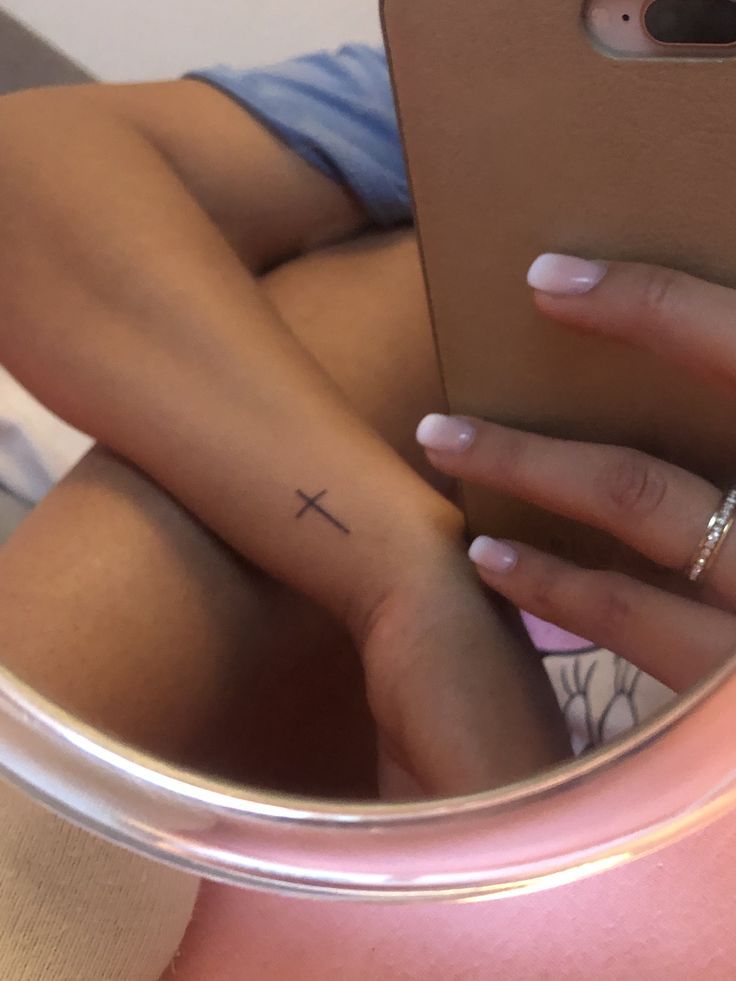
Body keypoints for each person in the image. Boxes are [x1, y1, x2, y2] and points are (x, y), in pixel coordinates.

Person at [0, 42, 734, 981]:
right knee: (386, 304)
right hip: (329, 823)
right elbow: (39, 173)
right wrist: (401, 576)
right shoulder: (585, 89)